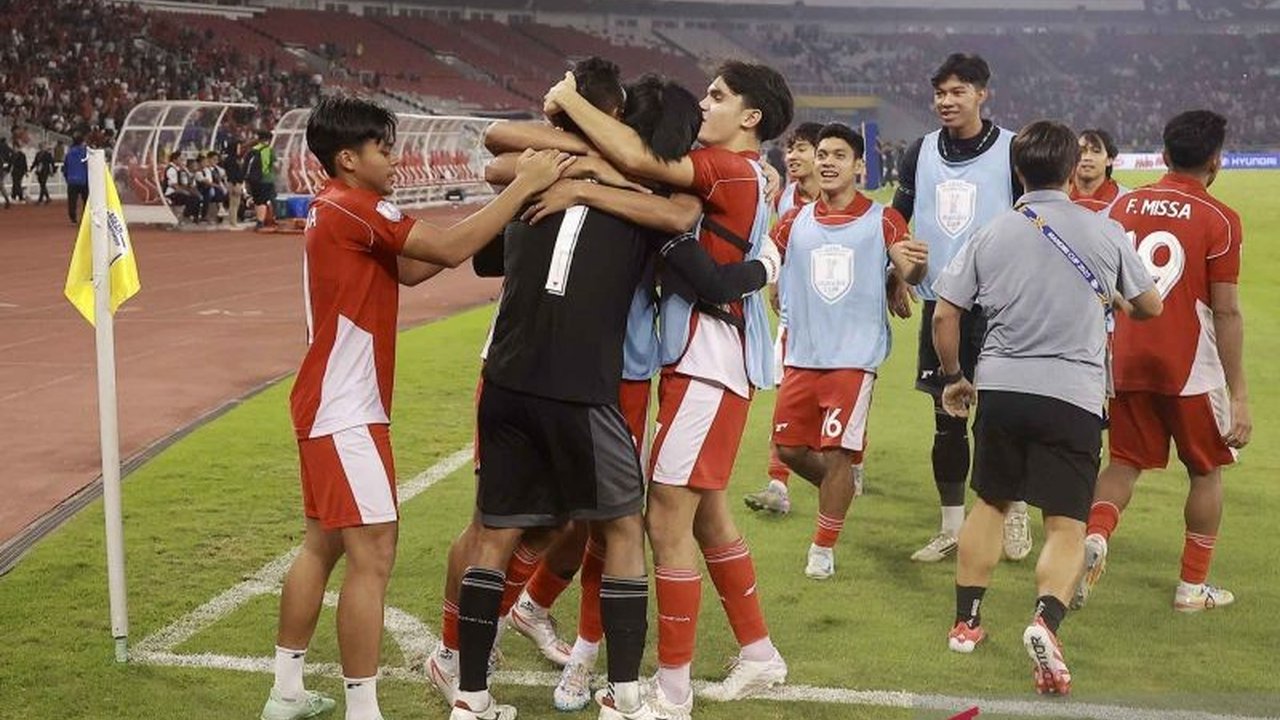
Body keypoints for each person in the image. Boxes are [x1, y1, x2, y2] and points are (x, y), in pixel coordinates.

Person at [448, 62, 779, 720]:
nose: (705, 106)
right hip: (600, 374)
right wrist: (766, 262)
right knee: (621, 523)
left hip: (596, 370)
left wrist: (582, 170)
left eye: (718, 95)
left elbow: (501, 161)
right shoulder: (660, 192)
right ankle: (631, 681)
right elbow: (499, 153)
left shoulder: (687, 180)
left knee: (587, 523)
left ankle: (552, 661)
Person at [258, 95, 568, 720]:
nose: (395, 160)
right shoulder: (356, 205)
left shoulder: (332, 207)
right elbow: (448, 248)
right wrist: (524, 187)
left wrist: (503, 220)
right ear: (348, 159)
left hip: (329, 403)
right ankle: (362, 710)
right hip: (345, 410)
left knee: (322, 545)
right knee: (373, 555)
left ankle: (286, 692)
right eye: (384, 149)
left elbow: (412, 269)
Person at [545, 60, 794, 714]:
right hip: (711, 357)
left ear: (750, 117)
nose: (704, 106)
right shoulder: (744, 172)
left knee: (664, 518)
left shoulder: (724, 167)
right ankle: (759, 652)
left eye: (718, 96)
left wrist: (571, 98)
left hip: (707, 361)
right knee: (707, 516)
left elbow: (638, 157)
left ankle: (672, 692)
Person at [932, 120, 1161, 696]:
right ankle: (1044, 621)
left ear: (1018, 171)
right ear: (1070, 171)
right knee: (1065, 521)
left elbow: (945, 313)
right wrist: (1115, 297)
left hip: (1003, 388)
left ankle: (966, 624)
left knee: (991, 502)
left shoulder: (991, 231)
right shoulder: (1105, 231)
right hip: (1073, 395)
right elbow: (1150, 306)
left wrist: (955, 377)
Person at [1074, 110, 1251, 613]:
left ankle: (1095, 537)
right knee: (1205, 470)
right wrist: (1239, 394)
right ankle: (1191, 588)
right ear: (1216, 161)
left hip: (1126, 358)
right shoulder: (1220, 219)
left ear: (1165, 154)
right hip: (1191, 366)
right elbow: (1226, 310)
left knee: (1124, 462)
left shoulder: (1122, 206)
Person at [770, 122, 928, 579]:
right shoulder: (794, 221)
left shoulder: (883, 219)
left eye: (839, 155)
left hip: (854, 359)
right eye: (822, 154)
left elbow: (907, 268)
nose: (827, 162)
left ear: (859, 166)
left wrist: (912, 272)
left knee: (838, 451)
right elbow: (768, 260)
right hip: (803, 355)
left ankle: (822, 547)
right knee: (789, 449)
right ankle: (839, 490)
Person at [892, 53, 1032, 564]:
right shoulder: (920, 151)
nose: (946, 102)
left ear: (982, 93)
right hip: (940, 303)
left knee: (1000, 418)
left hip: (1000, 307)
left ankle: (1014, 509)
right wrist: (894, 269)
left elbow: (1034, 218)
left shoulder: (1013, 149)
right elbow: (897, 217)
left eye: (957, 92)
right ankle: (951, 526)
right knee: (946, 417)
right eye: (940, 93)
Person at [743, 121, 823, 516]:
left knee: (834, 406)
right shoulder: (786, 196)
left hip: (841, 325)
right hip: (795, 320)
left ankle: (851, 462)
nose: (792, 156)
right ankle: (778, 484)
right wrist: (775, 284)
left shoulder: (844, 202)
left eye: (801, 148)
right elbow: (778, 247)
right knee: (787, 403)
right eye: (790, 148)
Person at [1070, 129, 1127, 213]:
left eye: (1096, 151)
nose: (1087, 157)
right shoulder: (1058, 197)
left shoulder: (1125, 200)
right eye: (1081, 151)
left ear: (1109, 160)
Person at [246, 129, 278, 228]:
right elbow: (275, 165)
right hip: (266, 179)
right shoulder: (269, 150)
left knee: (257, 200)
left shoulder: (252, 150)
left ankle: (259, 219)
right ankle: (261, 221)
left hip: (253, 179)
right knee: (264, 200)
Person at [63, 135, 89, 224]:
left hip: (72, 180)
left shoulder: (69, 153)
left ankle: (73, 217)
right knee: (86, 200)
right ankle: (85, 217)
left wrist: (67, 177)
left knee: (72, 200)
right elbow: (88, 165)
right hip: (83, 180)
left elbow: (65, 167)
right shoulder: (85, 152)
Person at [9, 138, 28, 204]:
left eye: (15, 147)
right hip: (14, 172)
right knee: (15, 184)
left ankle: (19, 197)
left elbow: (24, 164)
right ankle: (15, 197)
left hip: (20, 172)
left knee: (17, 184)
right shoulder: (13, 155)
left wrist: (26, 171)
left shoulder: (22, 155)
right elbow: (10, 163)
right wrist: (8, 170)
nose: (14, 149)